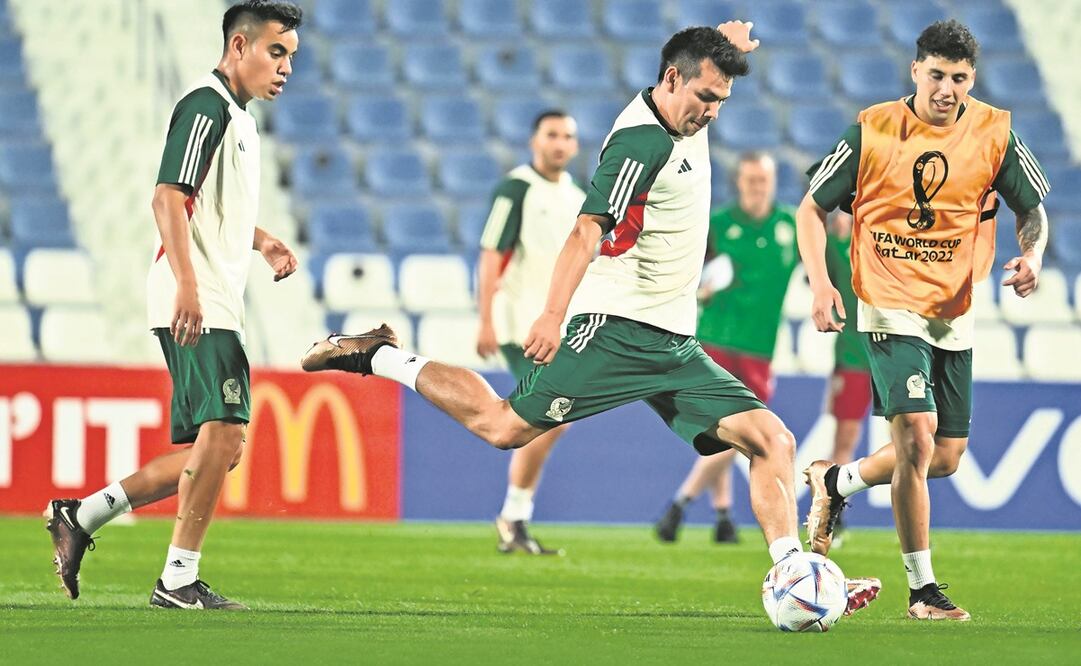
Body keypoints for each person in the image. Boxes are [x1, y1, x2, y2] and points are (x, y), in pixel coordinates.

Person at [305, 22, 880, 616]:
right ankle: (376, 353)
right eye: (705, 98)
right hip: (615, 328)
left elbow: (702, 76)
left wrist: (725, 39)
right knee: (503, 428)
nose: (711, 113)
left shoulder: (682, 106)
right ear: (671, 79)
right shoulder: (641, 143)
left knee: (772, 440)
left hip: (677, 342)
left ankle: (795, 577)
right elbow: (587, 229)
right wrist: (553, 315)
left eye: (722, 102)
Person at [46, 0, 302, 610]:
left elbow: (216, 209)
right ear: (238, 47)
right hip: (199, 296)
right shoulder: (205, 106)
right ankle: (178, 579)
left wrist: (262, 240)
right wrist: (187, 283)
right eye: (275, 51)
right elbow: (167, 198)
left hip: (214, 293)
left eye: (290, 56)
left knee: (220, 446)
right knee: (225, 429)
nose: (286, 67)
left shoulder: (238, 118)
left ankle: (81, 514)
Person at [796, 20, 1049, 621]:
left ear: (972, 80)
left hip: (952, 310)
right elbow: (811, 207)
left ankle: (837, 484)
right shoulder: (872, 127)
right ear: (915, 71)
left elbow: (1033, 207)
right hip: (883, 299)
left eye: (959, 78)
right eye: (936, 74)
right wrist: (821, 283)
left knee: (946, 456)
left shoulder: (995, 132)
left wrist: (1032, 254)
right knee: (914, 433)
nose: (947, 89)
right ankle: (922, 590)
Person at [655, 151, 798, 544]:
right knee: (734, 430)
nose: (757, 187)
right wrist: (696, 289)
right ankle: (706, 512)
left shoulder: (791, 225)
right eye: (751, 180)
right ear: (740, 182)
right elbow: (680, 267)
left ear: (772, 182)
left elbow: (822, 264)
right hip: (714, 339)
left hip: (759, 346)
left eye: (763, 180)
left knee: (734, 432)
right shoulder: (717, 224)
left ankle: (696, 508)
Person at [475, 110, 585, 555]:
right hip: (520, 323)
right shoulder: (516, 188)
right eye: (551, 135)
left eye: (567, 136)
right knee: (547, 417)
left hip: (556, 326)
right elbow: (490, 252)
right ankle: (513, 517)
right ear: (534, 141)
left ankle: (514, 518)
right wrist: (484, 318)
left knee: (550, 419)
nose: (559, 143)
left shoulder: (577, 195)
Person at [817, 212, 873, 549]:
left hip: (887, 357)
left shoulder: (884, 248)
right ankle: (828, 515)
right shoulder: (839, 249)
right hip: (854, 358)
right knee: (845, 443)